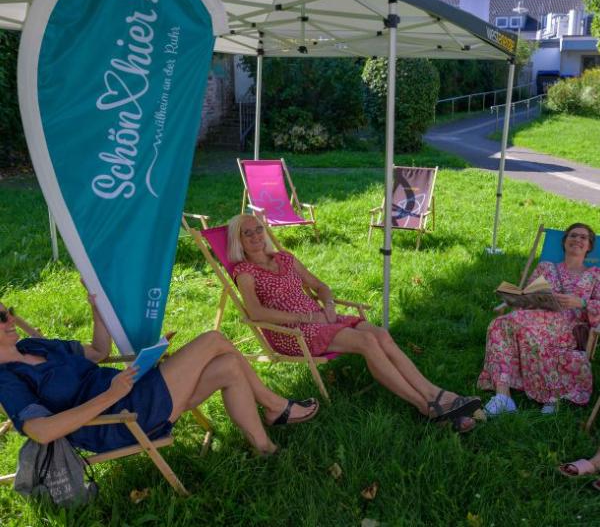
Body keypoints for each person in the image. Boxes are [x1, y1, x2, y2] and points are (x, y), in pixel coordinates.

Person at [227, 214, 481, 432]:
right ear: (238, 241)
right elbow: (256, 312)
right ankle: (426, 405)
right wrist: (306, 317)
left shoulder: (285, 258)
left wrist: (327, 306)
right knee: (368, 342)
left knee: (381, 335)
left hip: (323, 318)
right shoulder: (245, 273)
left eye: (258, 229)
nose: (255, 236)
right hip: (293, 332)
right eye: (246, 233)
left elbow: (319, 286)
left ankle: (436, 394)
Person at [0, 292, 319, 457]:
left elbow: (97, 351)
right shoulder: (7, 378)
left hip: (132, 392)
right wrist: (110, 395)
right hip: (116, 421)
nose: (11, 318)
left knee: (229, 367)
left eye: (9, 311)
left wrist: (97, 312)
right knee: (214, 340)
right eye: (2, 317)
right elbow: (41, 431)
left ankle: (266, 449)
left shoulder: (35, 345)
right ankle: (276, 407)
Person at [478, 222, 599, 415]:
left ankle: (551, 393)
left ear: (590, 246)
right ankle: (503, 396)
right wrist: (514, 296)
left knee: (516, 326)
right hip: (534, 317)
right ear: (565, 241)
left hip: (568, 326)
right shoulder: (546, 267)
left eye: (583, 237)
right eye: (573, 236)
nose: (577, 239)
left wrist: (581, 303)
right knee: (499, 323)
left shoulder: (595, 275)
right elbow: (527, 294)